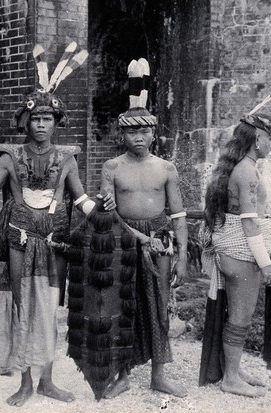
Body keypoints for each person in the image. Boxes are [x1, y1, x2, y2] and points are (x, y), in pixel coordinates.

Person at [0, 89, 113, 406]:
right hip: (19, 239)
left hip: (55, 241)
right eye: (35, 118)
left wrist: (104, 208)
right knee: (22, 307)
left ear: (56, 122)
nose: (40, 124)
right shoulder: (10, 157)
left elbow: (81, 201)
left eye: (46, 118)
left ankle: (46, 381)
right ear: (26, 122)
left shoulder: (67, 159)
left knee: (49, 308)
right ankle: (25, 383)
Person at [99, 58, 189, 399]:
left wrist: (180, 256)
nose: (139, 137)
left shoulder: (166, 168)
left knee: (159, 304)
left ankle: (158, 374)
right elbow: (107, 214)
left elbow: (178, 214)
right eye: (132, 131)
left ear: (153, 132)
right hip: (124, 240)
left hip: (160, 241)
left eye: (144, 131)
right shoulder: (112, 167)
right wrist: (136, 236)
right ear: (122, 133)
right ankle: (122, 374)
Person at [199, 113, 271, 397]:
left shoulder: (243, 167)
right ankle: (231, 379)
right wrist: (266, 262)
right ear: (258, 140)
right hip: (241, 252)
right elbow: (249, 222)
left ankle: (232, 370)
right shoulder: (247, 171)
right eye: (270, 140)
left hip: (235, 251)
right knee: (240, 316)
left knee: (237, 314)